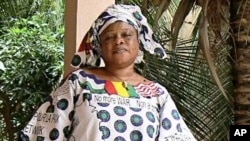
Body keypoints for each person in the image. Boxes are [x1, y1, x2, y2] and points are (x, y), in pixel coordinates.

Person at [20, 4, 196, 141]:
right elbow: (43, 132)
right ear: (99, 46)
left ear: (139, 42)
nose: (119, 41)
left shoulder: (158, 94)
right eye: (109, 37)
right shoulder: (79, 83)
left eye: (127, 35)